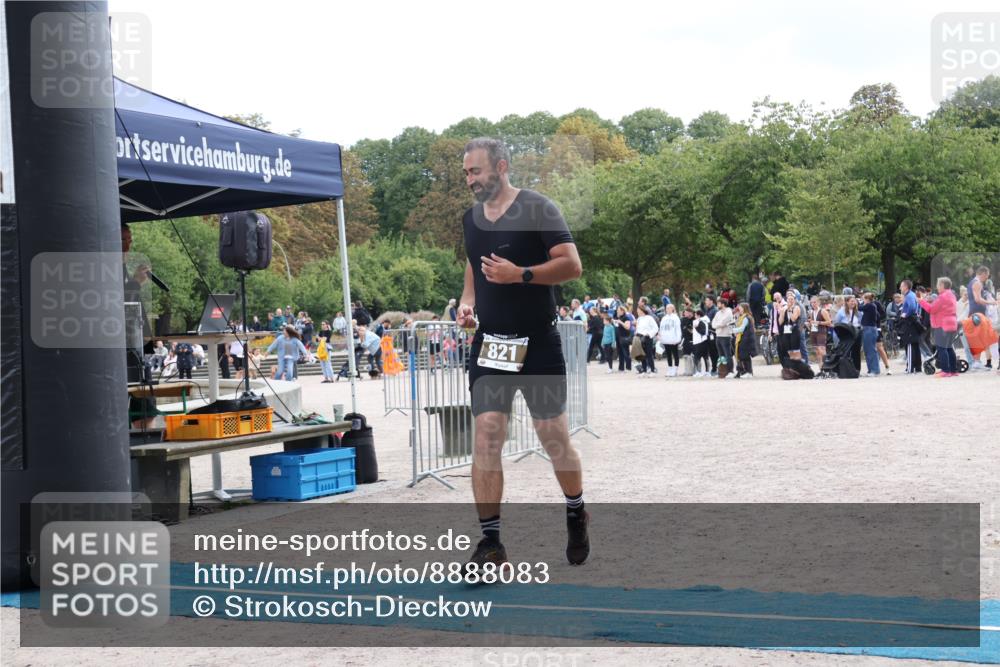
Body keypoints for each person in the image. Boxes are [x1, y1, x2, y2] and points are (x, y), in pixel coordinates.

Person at [456, 137, 588, 570]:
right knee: (487, 434)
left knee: (554, 439)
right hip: (492, 343)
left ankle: (575, 509)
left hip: (538, 342)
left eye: (476, 171)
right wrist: (468, 302)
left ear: (501, 166)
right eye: (466, 173)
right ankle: (491, 544)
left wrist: (522, 275)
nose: (470, 180)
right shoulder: (471, 219)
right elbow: (473, 264)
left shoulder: (538, 208)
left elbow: (571, 264)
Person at [920, 277, 959, 377]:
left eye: (938, 285)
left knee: (942, 348)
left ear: (942, 285)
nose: (937, 287)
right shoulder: (951, 295)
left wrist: (921, 301)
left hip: (942, 325)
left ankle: (945, 371)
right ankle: (953, 370)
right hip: (951, 324)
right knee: (949, 348)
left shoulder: (942, 297)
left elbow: (931, 309)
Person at [898, 280, 923, 374]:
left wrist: (905, 314)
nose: (900, 288)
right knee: (915, 345)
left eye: (901, 286)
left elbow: (912, 307)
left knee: (909, 344)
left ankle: (910, 368)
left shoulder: (908, 296)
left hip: (909, 322)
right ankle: (918, 367)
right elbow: (918, 306)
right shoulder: (912, 295)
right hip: (914, 321)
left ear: (905, 287)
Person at [859, 292, 881, 376]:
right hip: (870, 329)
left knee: (871, 350)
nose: (862, 300)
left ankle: (874, 370)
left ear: (867, 299)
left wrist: (859, 303)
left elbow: (859, 308)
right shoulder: (872, 306)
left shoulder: (869, 305)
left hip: (869, 329)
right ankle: (871, 369)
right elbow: (878, 316)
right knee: (868, 350)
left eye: (863, 299)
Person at [732, 302, 757, 378]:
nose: (739, 308)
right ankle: (743, 371)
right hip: (742, 338)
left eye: (740, 307)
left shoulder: (746, 317)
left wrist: (733, 330)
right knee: (741, 356)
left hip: (746, 339)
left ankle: (748, 372)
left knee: (745, 356)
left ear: (744, 308)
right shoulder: (741, 317)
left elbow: (742, 328)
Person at [711, 298, 734, 375]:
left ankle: (730, 371)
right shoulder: (718, 313)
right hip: (718, 335)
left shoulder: (729, 311)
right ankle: (723, 371)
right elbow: (713, 323)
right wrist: (718, 325)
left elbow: (723, 322)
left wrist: (718, 325)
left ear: (723, 304)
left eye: (718, 303)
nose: (717, 305)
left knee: (728, 354)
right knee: (721, 355)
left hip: (726, 336)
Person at [658, 304, 681, 377]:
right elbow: (661, 328)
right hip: (666, 339)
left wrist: (678, 339)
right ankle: (670, 368)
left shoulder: (676, 318)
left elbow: (678, 329)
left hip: (673, 339)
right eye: (666, 308)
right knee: (668, 355)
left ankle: (675, 368)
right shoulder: (664, 318)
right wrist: (661, 336)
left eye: (669, 308)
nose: (667, 309)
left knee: (675, 354)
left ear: (672, 309)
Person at [635, 305, 659, 375]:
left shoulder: (649, 318)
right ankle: (644, 370)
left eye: (638, 310)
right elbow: (637, 329)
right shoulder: (639, 319)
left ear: (642, 310)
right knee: (642, 355)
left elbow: (655, 328)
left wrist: (649, 334)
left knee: (649, 355)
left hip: (647, 338)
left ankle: (652, 370)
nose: (637, 312)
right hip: (640, 338)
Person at [691, 309, 711, 377]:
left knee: (698, 357)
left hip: (701, 341)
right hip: (699, 341)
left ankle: (700, 372)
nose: (694, 316)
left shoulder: (701, 322)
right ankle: (705, 371)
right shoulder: (702, 321)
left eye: (695, 315)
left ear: (699, 315)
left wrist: (696, 328)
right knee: (704, 357)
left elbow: (704, 332)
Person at [613, 305, 633, 372]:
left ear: (622, 311)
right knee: (620, 353)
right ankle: (621, 368)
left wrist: (620, 322)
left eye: (618, 310)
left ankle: (628, 367)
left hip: (624, 337)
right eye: (617, 310)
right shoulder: (619, 317)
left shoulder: (626, 318)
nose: (617, 312)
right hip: (618, 337)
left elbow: (627, 327)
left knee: (625, 353)